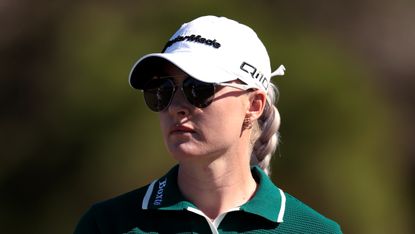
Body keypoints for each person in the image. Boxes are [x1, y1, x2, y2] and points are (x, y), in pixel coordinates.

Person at [74, 15, 342, 234]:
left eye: (198, 88)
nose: (176, 106)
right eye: (163, 89)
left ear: (253, 105)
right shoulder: (107, 225)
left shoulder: (315, 231)